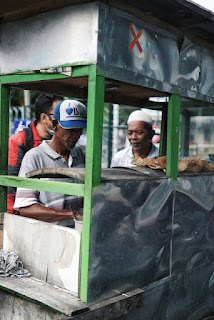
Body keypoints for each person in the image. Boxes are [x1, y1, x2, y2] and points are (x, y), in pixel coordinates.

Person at [13, 99, 87, 227]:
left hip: (78, 234)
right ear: (54, 124)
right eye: (71, 130)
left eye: (80, 130)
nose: (76, 135)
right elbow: (25, 207)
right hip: (50, 236)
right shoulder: (35, 157)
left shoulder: (79, 153)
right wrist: (71, 215)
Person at [7, 94, 62, 213]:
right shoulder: (19, 141)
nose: (62, 120)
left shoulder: (65, 142)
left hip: (53, 211)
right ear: (43, 117)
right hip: (27, 211)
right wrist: (13, 216)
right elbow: (11, 184)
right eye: (58, 116)